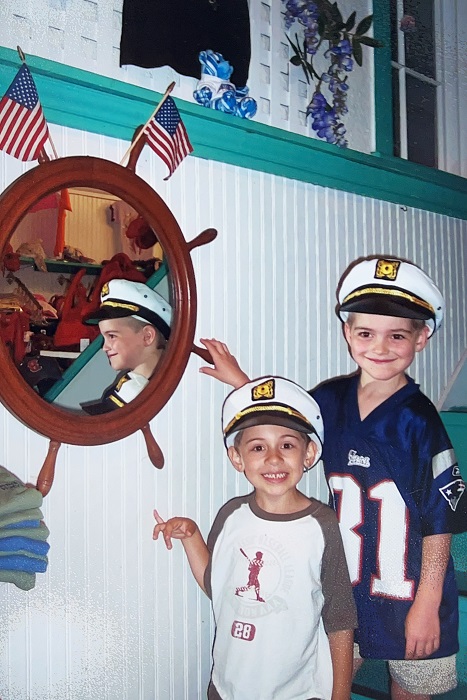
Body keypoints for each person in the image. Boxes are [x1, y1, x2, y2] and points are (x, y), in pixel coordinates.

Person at [199, 256, 467, 700]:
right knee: (329, 679)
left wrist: (427, 601)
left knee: (413, 687)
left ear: (421, 339)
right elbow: (286, 426)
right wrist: (241, 383)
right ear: (348, 332)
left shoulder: (420, 422)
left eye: (397, 335)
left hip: (411, 587)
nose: (379, 347)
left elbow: (440, 521)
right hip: (350, 585)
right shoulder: (330, 399)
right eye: (366, 333)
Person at [153, 375, 357, 700]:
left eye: (287, 445)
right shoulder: (231, 516)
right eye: (258, 447)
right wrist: (191, 536)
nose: (273, 458)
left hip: (298, 691)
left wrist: (341, 694)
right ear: (238, 458)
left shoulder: (322, 525)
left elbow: (341, 617)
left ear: (309, 453)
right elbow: (218, 585)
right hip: (229, 686)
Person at [80, 278, 172, 413]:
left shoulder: (168, 394)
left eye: (112, 336)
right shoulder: (122, 388)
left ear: (147, 336)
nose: (104, 347)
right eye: (104, 337)